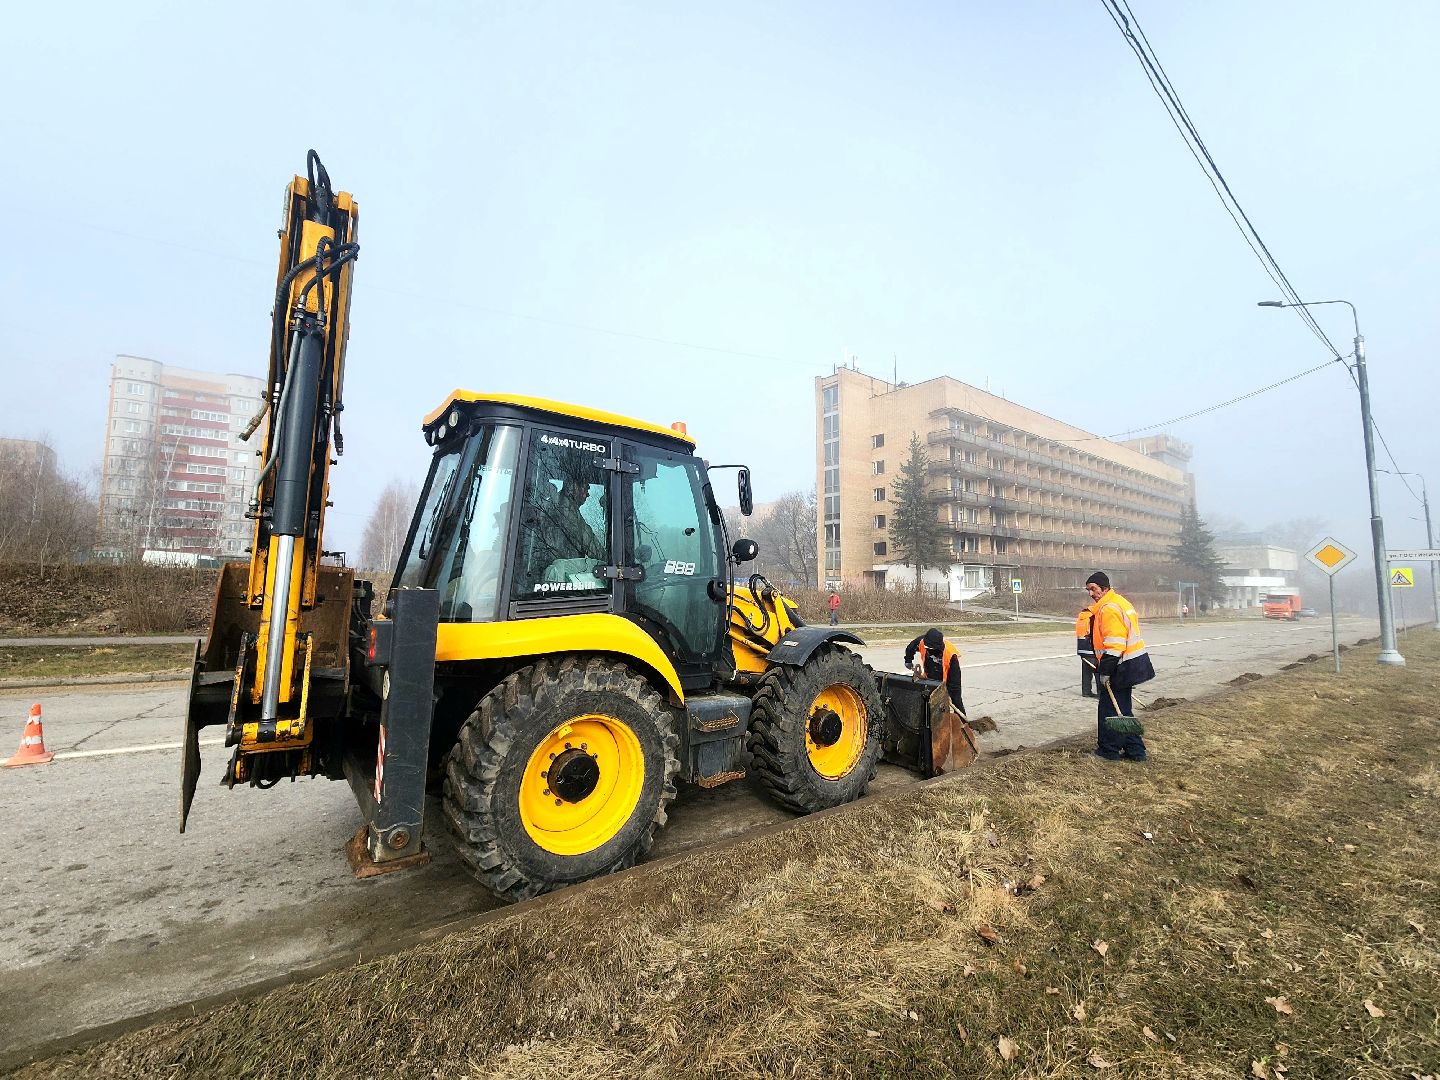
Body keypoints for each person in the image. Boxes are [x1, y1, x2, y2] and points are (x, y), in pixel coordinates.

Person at [1085, 571, 1156, 762]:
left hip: (1120, 665)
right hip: (1131, 663)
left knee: (1109, 710)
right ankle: (1136, 751)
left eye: (1094, 589)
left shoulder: (1108, 608)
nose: (1091, 593)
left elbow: (1115, 644)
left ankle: (1108, 751)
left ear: (1105, 588)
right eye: (1088, 590)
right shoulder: (1120, 602)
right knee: (1122, 710)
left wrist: (1105, 672)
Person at [903, 627, 964, 712]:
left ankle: (962, 722)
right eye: (926, 648)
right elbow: (911, 647)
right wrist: (908, 660)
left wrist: (949, 694)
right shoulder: (923, 641)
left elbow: (955, 684)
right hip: (929, 677)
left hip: (945, 680)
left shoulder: (951, 655)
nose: (927, 650)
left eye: (930, 649)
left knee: (956, 700)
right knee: (927, 701)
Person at [1076, 603, 1097, 697]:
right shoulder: (1092, 618)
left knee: (1086, 672)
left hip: (1082, 648)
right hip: (1091, 648)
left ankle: (1086, 692)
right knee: (1098, 671)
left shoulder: (1081, 618)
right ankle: (1101, 693)